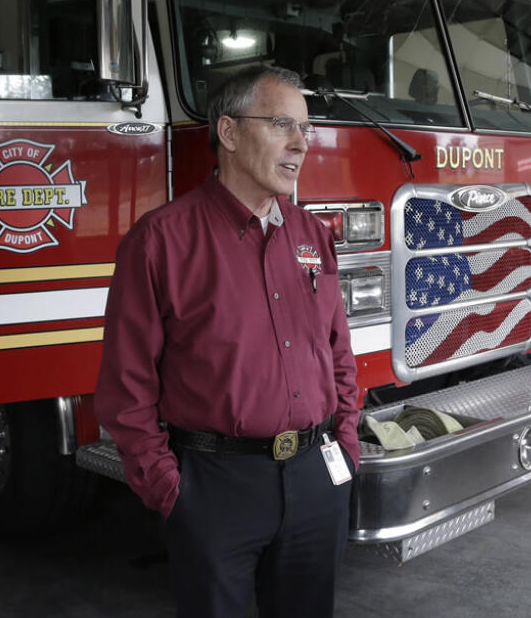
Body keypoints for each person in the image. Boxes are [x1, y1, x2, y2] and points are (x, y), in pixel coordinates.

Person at [95, 65, 361, 618]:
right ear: (230, 133)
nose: (300, 144)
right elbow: (127, 387)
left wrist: (346, 448)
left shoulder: (312, 236)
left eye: (305, 129)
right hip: (216, 489)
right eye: (282, 124)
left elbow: (337, 352)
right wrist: (171, 491)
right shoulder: (159, 243)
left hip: (317, 479)